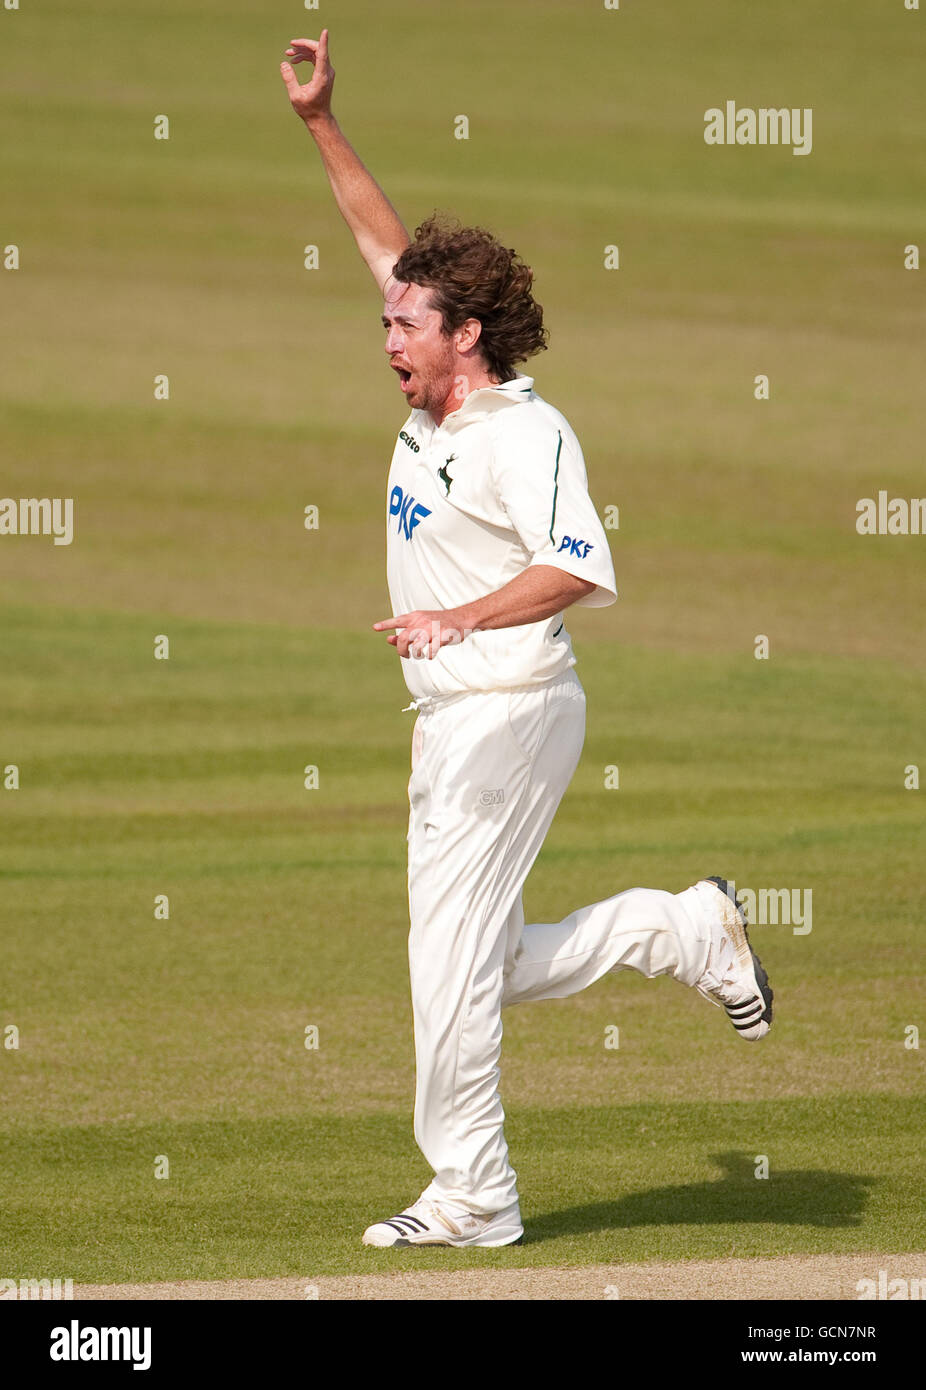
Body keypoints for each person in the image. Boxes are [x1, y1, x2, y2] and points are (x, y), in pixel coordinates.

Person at [281, 31, 774, 1250]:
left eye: (407, 323)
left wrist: (456, 615)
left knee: (443, 968)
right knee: (482, 961)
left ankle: (475, 1194)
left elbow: (575, 566)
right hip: (455, 715)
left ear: (467, 335)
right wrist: (321, 124)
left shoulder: (523, 435)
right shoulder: (433, 381)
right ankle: (684, 928)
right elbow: (375, 234)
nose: (385, 333)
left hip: (504, 702)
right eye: (387, 317)